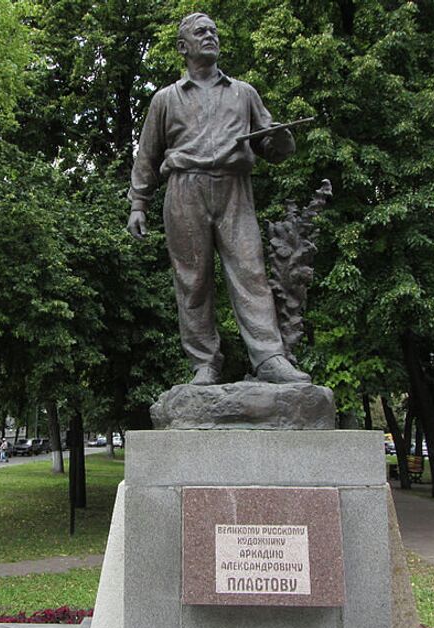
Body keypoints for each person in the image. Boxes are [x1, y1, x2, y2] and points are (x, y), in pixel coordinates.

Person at [127, 13, 310, 386]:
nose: (210, 36)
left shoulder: (244, 93)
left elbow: (271, 144)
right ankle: (204, 363)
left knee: (250, 272)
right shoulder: (166, 99)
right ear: (183, 47)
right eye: (201, 32)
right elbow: (146, 156)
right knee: (192, 281)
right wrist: (138, 204)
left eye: (214, 30)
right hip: (184, 189)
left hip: (234, 187)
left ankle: (270, 357)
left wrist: (281, 141)